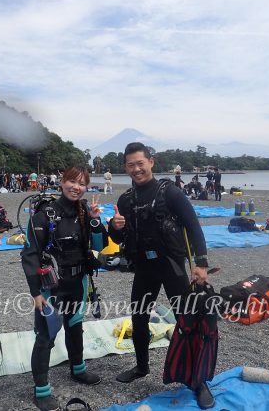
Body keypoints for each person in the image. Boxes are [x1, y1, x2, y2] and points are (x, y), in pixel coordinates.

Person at [108, 142, 214, 409]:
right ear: (125, 168)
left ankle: (199, 381)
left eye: (140, 163)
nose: (136, 169)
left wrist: (200, 264)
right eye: (130, 165)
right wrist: (114, 226)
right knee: (139, 318)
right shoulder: (125, 199)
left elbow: (193, 225)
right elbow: (118, 237)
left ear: (151, 162)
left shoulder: (171, 192)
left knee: (186, 320)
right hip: (144, 267)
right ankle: (142, 367)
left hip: (172, 266)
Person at [21, 166, 108, 411]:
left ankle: (78, 369)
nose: (76, 187)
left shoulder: (84, 211)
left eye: (81, 183)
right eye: (72, 181)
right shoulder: (44, 215)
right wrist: (36, 292)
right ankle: (41, 391)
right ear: (62, 182)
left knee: (75, 326)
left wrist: (95, 220)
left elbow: (100, 246)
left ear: (86, 187)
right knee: (46, 336)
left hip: (78, 281)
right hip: (52, 287)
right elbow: (29, 255)